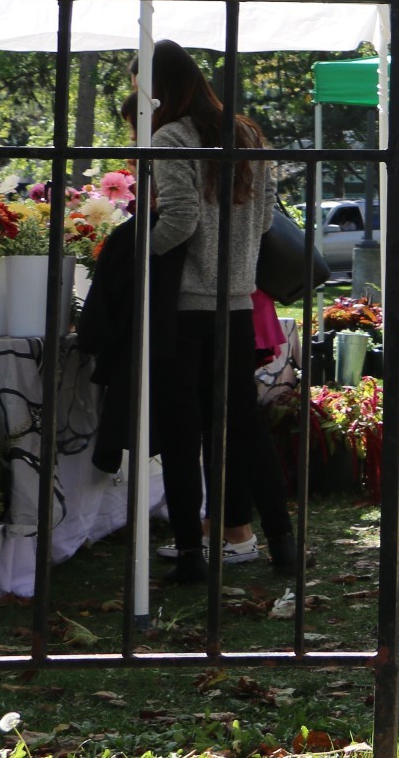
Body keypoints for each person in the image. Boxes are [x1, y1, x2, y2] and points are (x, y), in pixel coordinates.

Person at [136, 41, 296, 583]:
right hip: (235, 303)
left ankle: (189, 554)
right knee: (243, 429)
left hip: (186, 305)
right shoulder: (246, 134)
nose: (140, 98)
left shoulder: (170, 138)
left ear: (162, 86)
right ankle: (281, 543)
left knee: (183, 432)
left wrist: (135, 253)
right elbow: (269, 212)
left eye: (142, 87)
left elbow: (179, 219)